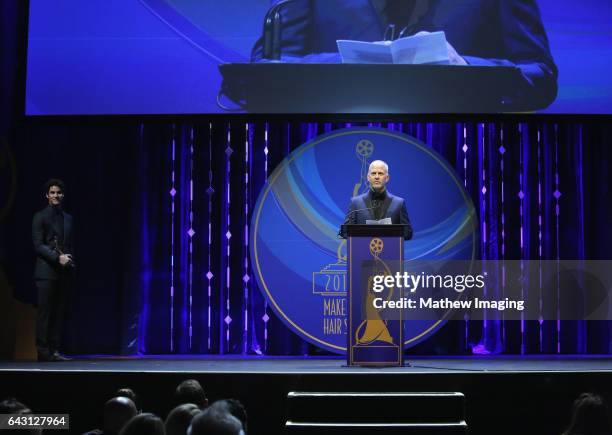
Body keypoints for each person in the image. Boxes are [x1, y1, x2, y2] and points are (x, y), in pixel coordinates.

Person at [251, 0, 558, 109]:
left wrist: (466, 67)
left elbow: (540, 77)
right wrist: (345, 64)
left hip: (458, 153)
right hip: (331, 144)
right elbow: (265, 71)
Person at [31, 178, 74, 362]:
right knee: (45, 313)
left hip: (64, 272)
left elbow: (69, 244)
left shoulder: (68, 218)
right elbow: (38, 245)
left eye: (58, 192)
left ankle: (54, 349)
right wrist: (58, 258)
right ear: (47, 195)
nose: (55, 195)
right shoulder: (40, 216)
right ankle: (43, 350)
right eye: (52, 192)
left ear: (62, 195)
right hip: (46, 273)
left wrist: (69, 258)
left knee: (58, 312)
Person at [342, 160, 413, 240]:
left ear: (387, 178)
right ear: (368, 177)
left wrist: (390, 232)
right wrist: (364, 232)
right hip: (362, 251)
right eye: (373, 173)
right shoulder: (355, 203)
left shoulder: (399, 203)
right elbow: (345, 232)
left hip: (390, 251)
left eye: (380, 173)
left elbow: (408, 233)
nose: (376, 177)